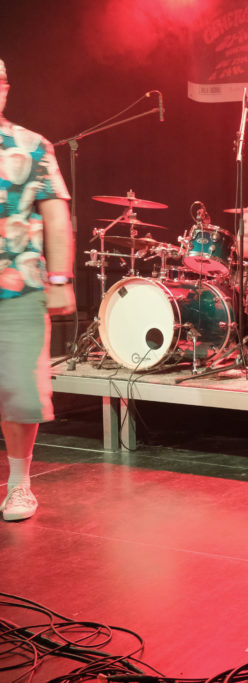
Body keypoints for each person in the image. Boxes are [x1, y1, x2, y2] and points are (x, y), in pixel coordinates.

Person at [0, 58, 76, 521]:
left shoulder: (32, 145)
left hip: (20, 286)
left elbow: (55, 215)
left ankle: (19, 484)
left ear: (5, 89)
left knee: (20, 391)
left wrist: (61, 279)